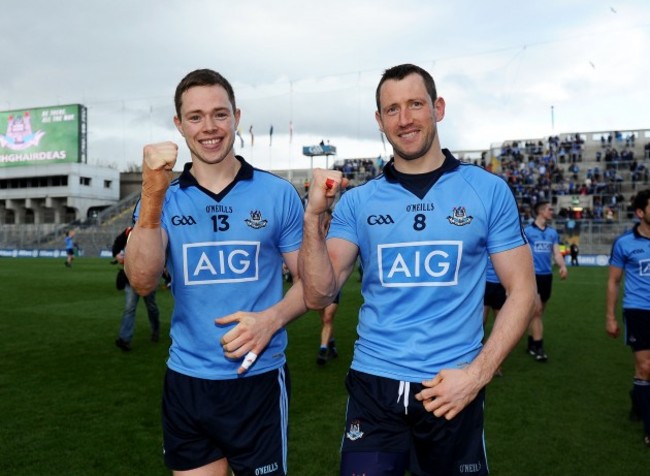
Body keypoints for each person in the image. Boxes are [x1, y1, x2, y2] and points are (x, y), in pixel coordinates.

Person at [299, 63, 536, 475]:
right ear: (379, 121)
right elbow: (319, 293)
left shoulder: (487, 190)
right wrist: (312, 219)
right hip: (374, 389)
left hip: (451, 387)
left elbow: (522, 292)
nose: (404, 119)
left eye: (415, 104)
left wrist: (478, 374)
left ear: (437, 108)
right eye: (392, 109)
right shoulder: (359, 202)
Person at [124, 69, 306, 476]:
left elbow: (315, 288)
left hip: (257, 379)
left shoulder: (277, 193)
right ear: (179, 125)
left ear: (236, 117)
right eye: (195, 117)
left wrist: (271, 319)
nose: (209, 127)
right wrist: (153, 191)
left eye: (219, 114)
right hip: (188, 381)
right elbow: (142, 280)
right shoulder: (161, 198)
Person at [606, 189, 650, 447]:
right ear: (640, 212)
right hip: (638, 310)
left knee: (645, 372)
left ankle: (638, 395)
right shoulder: (624, 243)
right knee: (645, 367)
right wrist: (610, 317)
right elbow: (613, 281)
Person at [524, 201, 568, 362]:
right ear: (541, 211)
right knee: (536, 311)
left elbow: (556, 253)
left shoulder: (552, 233)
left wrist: (563, 266)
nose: (552, 212)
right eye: (550, 209)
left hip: (546, 276)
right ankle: (539, 347)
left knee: (539, 313)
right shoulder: (527, 231)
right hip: (532, 276)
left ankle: (530, 343)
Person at [113, 226, 160, 351]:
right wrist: (117, 254)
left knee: (151, 307)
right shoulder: (129, 231)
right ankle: (124, 338)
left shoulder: (154, 232)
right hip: (131, 277)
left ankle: (156, 329)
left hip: (148, 278)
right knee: (129, 308)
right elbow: (117, 243)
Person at [316, 208, 340, 366]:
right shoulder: (313, 234)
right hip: (316, 281)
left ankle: (323, 350)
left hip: (335, 280)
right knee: (323, 317)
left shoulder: (338, 234)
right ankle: (330, 341)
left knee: (328, 317)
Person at [483, 256, 507, 377]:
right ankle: (478, 358)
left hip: (500, 285)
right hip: (484, 284)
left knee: (500, 327)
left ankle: (496, 364)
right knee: (479, 325)